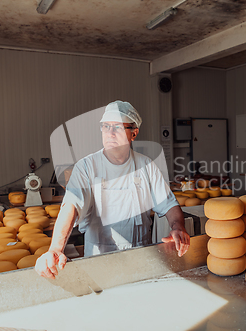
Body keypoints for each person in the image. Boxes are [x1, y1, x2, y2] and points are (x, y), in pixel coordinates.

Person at [36, 100, 190, 279]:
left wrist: (178, 227)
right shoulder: (86, 167)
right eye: (105, 126)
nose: (110, 133)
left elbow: (169, 205)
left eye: (117, 127)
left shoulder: (146, 166)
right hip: (99, 263)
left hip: (140, 260)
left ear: (134, 133)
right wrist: (55, 248)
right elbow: (71, 205)